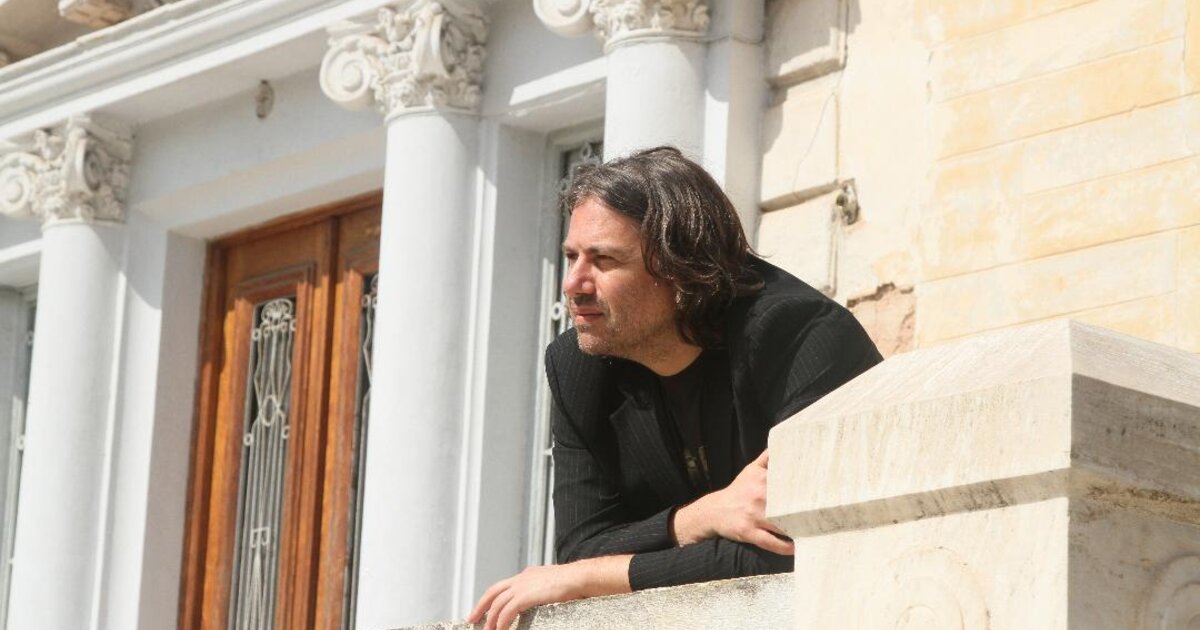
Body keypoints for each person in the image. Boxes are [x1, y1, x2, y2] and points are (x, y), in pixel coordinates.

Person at [469, 146, 881, 630]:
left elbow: (793, 548)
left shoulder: (797, 334)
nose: (573, 284)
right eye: (572, 256)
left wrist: (588, 578)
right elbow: (582, 546)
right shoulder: (578, 365)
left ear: (680, 269)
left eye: (604, 260)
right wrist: (698, 518)